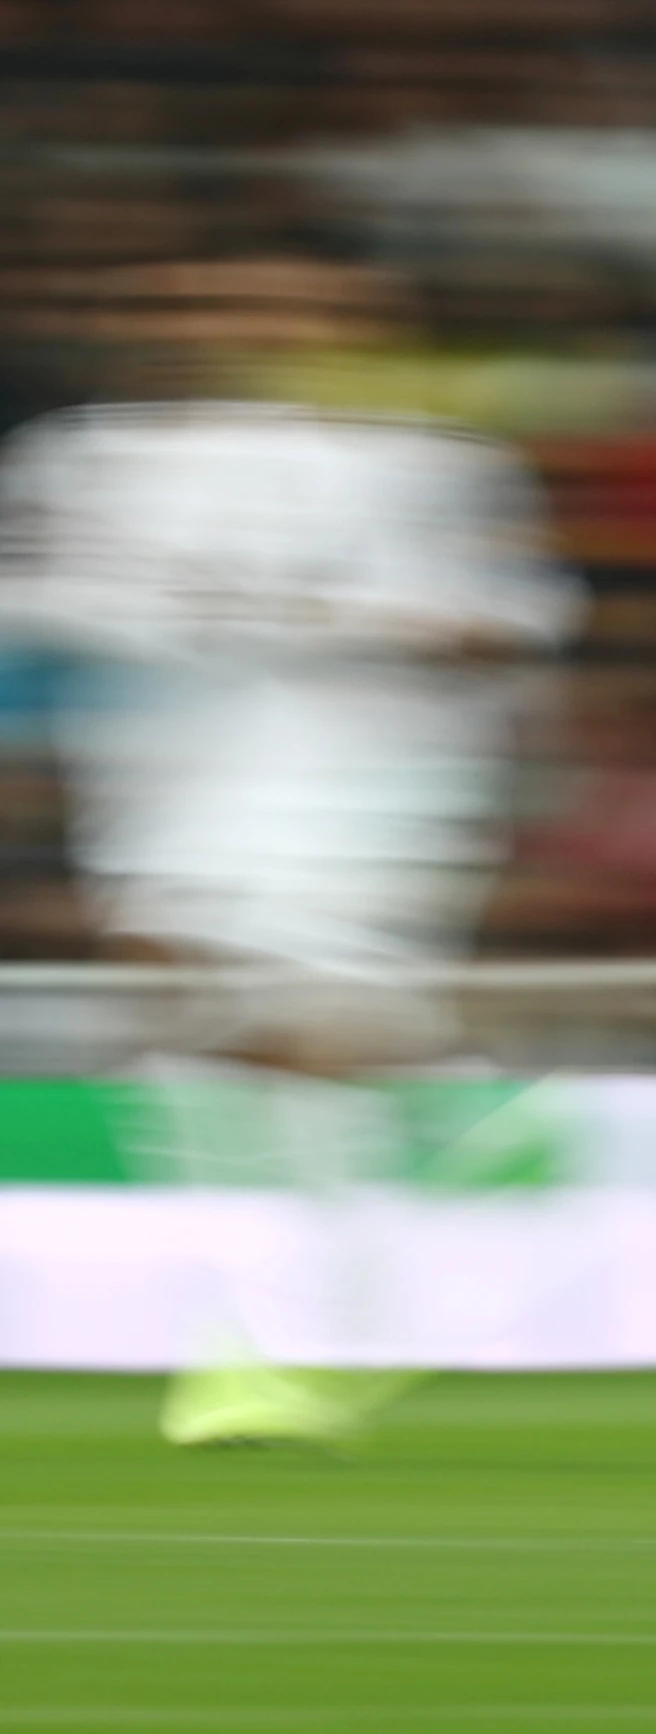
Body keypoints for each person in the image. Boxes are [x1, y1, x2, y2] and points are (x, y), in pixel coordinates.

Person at [0, 258, 579, 1447]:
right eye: (205, 308)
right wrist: (172, 615)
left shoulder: (429, 459)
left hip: (357, 769)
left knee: (228, 999)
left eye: (278, 310)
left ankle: (289, 1323)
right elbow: (35, 595)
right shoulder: (88, 452)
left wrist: (352, 627)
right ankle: (419, 1180)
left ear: (351, 329)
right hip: (159, 768)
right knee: (218, 1036)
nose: (239, 332)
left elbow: (512, 615)